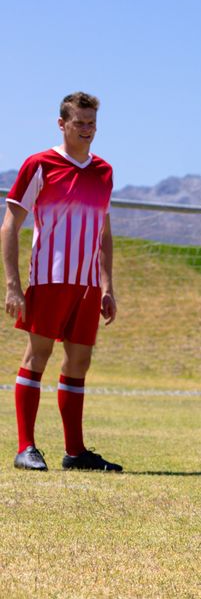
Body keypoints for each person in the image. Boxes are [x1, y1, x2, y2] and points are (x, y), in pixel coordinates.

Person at [3, 91, 121, 472]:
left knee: (79, 363)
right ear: (62, 124)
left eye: (92, 123)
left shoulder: (104, 171)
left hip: (87, 287)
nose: (87, 130)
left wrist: (107, 286)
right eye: (79, 123)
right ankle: (26, 448)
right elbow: (9, 227)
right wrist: (12, 284)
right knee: (37, 356)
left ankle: (75, 452)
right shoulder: (40, 164)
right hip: (50, 280)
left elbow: (104, 234)